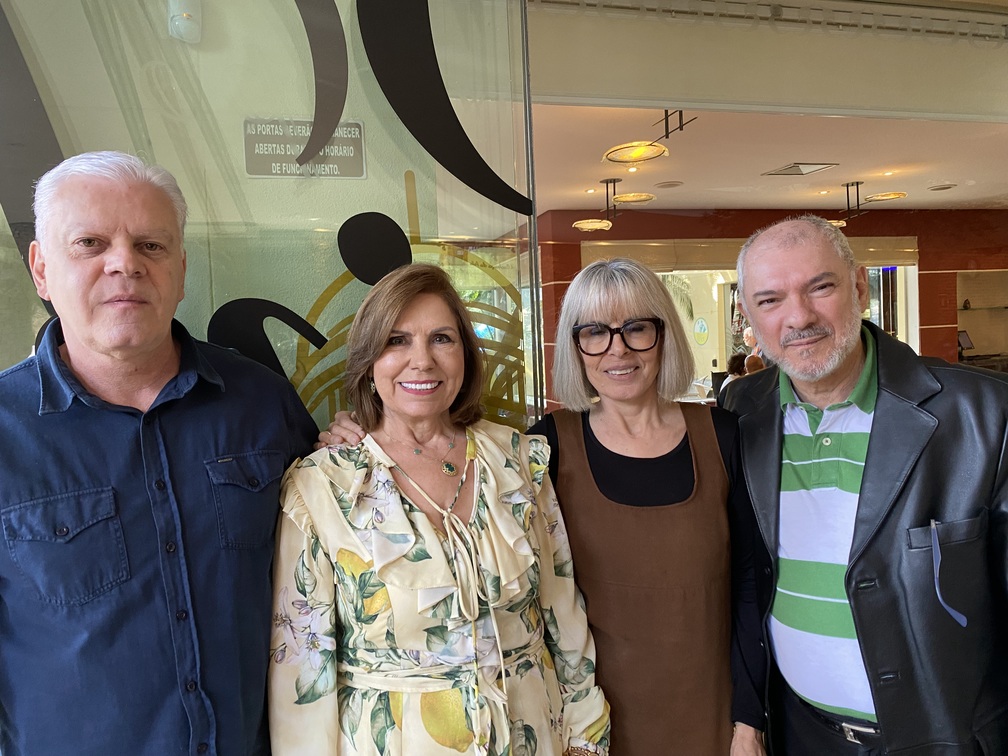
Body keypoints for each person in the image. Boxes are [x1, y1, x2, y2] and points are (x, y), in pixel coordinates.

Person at [320, 258, 764, 755]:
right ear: (575, 348)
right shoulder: (543, 449)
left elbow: (749, 583)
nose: (617, 348)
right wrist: (358, 438)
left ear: (665, 336)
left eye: (637, 328)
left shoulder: (720, 435)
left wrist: (749, 717)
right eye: (594, 332)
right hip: (588, 718)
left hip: (705, 709)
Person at [0, 151, 318, 755]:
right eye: (90, 243)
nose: (125, 264)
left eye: (151, 245)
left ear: (180, 267)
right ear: (41, 270)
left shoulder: (262, 403)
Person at [268, 263, 610, 756]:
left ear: (465, 355)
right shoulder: (323, 487)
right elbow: (301, 669)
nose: (421, 361)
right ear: (368, 361)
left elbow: (561, 609)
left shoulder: (515, 460)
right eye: (397, 341)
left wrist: (586, 735)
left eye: (441, 339)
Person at [722, 214, 1008, 755]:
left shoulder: (983, 416)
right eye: (770, 300)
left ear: (859, 287)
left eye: (820, 287)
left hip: (944, 743)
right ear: (748, 317)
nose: (798, 317)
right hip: (799, 731)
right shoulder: (744, 410)